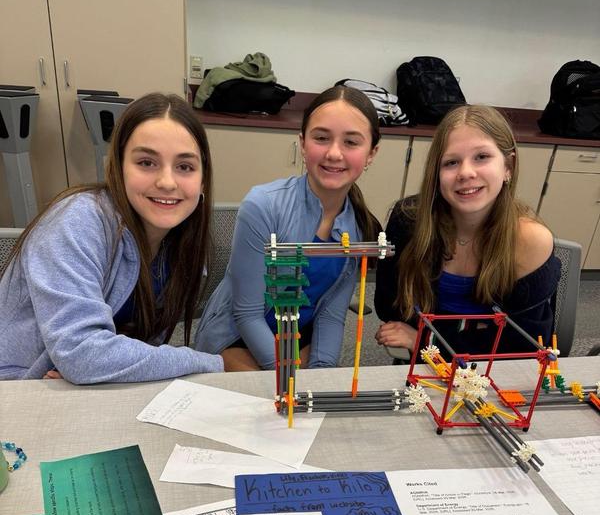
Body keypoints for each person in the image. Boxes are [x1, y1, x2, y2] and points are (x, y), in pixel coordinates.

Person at [0, 92, 223, 383]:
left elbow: (137, 351)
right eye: (146, 162)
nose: (167, 182)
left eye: (185, 167)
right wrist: (209, 362)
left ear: (202, 179)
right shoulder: (78, 221)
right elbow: (82, 354)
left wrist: (99, 367)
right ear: (118, 167)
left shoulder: (184, 244)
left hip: (92, 387)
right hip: (18, 390)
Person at [195, 85, 380, 371]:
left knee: (315, 401)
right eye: (321, 138)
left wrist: (322, 374)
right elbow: (247, 314)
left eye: (351, 142)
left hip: (296, 334)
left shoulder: (360, 229)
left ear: (371, 154)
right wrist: (286, 376)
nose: (334, 153)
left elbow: (331, 317)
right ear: (303, 143)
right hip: (237, 335)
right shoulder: (262, 206)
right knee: (270, 404)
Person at [374, 105, 561, 358]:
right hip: (423, 366)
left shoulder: (530, 239)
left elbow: (522, 343)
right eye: (451, 162)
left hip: (493, 371)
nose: (465, 172)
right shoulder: (408, 221)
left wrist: (425, 338)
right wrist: (476, 331)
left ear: (508, 166)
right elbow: (391, 307)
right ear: (436, 173)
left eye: (482, 157)